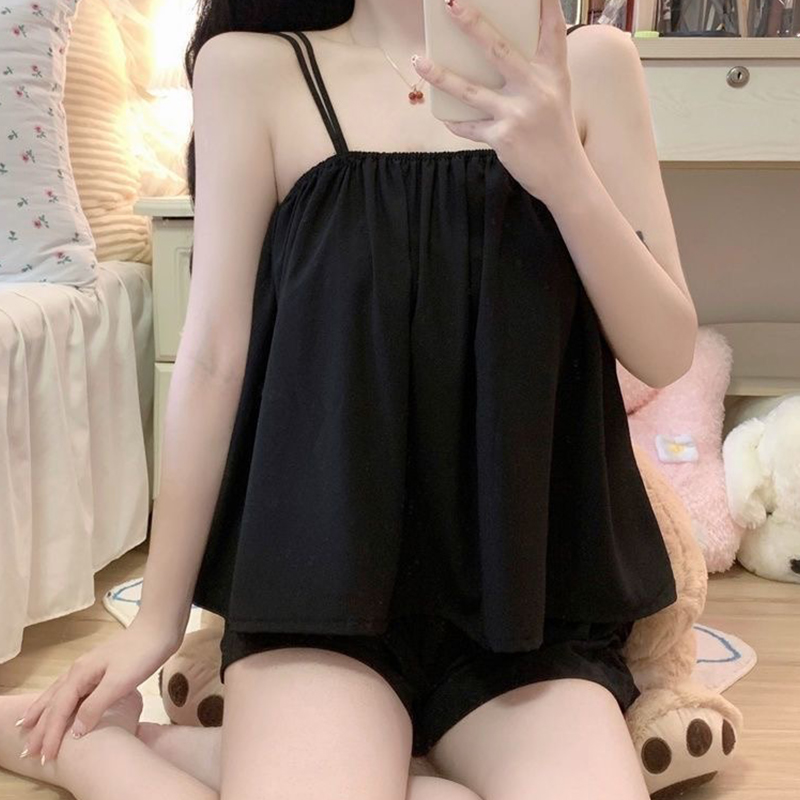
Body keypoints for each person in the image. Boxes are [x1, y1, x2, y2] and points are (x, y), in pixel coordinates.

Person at [0, 0, 698, 797]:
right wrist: (157, 622)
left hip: (529, 604)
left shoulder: (593, 65)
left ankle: (225, 761)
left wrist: (564, 176)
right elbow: (213, 361)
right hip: (318, 594)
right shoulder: (250, 71)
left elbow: (665, 351)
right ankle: (86, 749)